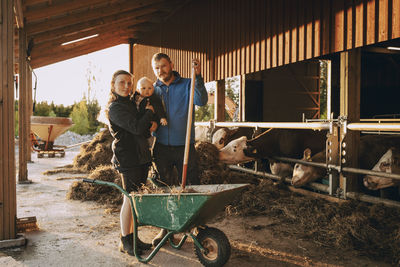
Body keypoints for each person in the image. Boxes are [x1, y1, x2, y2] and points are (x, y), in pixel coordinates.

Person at [150, 53, 208, 246]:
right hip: (161, 147)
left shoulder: (186, 84)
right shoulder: (153, 89)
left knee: (192, 184)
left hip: (185, 145)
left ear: (171, 65)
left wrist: (198, 76)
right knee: (165, 187)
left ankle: (196, 225)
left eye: (163, 66)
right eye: (157, 68)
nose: (160, 71)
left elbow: (201, 101)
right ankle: (165, 229)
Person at [105, 70, 156, 256]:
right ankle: (125, 240)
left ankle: (133, 237)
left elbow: (143, 130)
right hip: (128, 157)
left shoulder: (130, 103)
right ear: (113, 85)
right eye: (122, 83)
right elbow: (136, 127)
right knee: (129, 198)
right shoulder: (116, 107)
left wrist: (148, 123)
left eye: (129, 83)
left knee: (135, 198)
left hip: (140, 156)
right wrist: (149, 114)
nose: (126, 86)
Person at [134, 76, 167, 148]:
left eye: (150, 88)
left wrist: (162, 117)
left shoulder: (153, 99)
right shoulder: (134, 98)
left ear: (153, 88)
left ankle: (149, 147)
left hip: (149, 121)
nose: (147, 90)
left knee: (148, 135)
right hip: (138, 122)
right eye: (143, 88)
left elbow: (159, 108)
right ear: (138, 89)